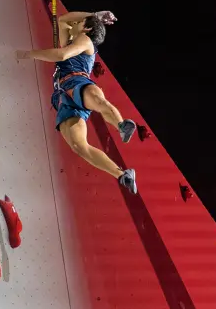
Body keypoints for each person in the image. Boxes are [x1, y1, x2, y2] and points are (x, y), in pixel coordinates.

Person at [16, 10, 137, 193]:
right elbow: (63, 20)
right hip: (64, 96)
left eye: (79, 23)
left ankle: (121, 125)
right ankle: (122, 174)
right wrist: (95, 15)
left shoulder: (85, 39)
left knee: (98, 102)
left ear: (86, 28)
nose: (75, 23)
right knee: (79, 146)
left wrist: (28, 54)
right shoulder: (72, 41)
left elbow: (61, 55)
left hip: (78, 82)